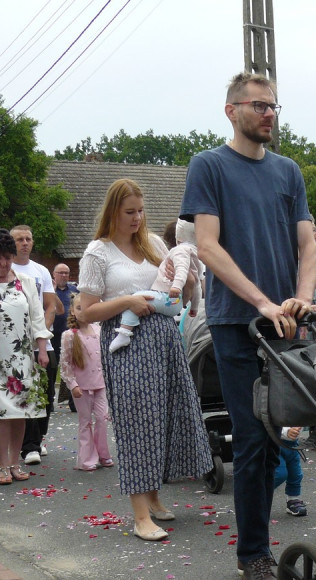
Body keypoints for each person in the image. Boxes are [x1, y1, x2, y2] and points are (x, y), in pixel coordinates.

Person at [180, 71, 316, 580]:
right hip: (237, 327)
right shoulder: (209, 166)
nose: (269, 114)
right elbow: (209, 247)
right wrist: (260, 301)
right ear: (231, 109)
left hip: (286, 326)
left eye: (274, 107)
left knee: (289, 433)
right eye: (259, 105)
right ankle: (254, 557)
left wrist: (301, 296)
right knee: (254, 439)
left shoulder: (289, 172)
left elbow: (308, 247)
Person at [77, 178, 212, 541]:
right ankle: (140, 516)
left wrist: (186, 287)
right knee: (137, 423)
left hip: (165, 338)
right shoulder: (97, 252)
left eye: (140, 211)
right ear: (113, 212)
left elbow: (175, 281)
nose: (137, 218)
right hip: (127, 341)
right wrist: (126, 302)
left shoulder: (154, 243)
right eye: (129, 212)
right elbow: (86, 312)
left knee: (164, 417)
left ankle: (153, 498)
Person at [0, 229, 52, 486]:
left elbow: (37, 318)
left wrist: (42, 350)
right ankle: (2, 465)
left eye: (7, 258)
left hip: (21, 356)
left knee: (20, 410)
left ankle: (15, 463)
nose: (3, 263)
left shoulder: (26, 282)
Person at [109, 219, 202, 352]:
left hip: (168, 302)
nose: (136, 217)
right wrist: (194, 307)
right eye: (130, 213)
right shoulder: (193, 253)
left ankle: (124, 332)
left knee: (137, 297)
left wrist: (176, 286)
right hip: (172, 304)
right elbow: (197, 285)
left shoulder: (180, 250)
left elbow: (184, 274)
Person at [10, 224, 60, 465]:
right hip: (16, 344)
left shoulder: (40, 271)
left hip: (42, 341)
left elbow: (50, 303)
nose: (25, 243)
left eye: (28, 238)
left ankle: (38, 436)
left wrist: (45, 328)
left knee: (47, 392)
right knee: (27, 393)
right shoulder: (5, 269)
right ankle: (29, 446)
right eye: (19, 239)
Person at [60, 294, 113, 471]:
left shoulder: (99, 330)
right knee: (85, 421)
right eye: (78, 307)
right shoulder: (70, 335)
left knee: (102, 418)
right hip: (81, 386)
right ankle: (87, 459)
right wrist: (72, 384)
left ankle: (103, 454)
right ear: (73, 311)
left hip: (101, 384)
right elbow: (66, 363)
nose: (82, 311)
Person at [51, 263, 79, 412]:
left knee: (73, 367)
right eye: (60, 273)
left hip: (71, 334)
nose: (63, 276)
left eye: (66, 273)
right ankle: (49, 402)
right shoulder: (49, 290)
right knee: (52, 367)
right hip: (53, 334)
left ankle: (75, 402)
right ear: (54, 274)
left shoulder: (75, 290)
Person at [275, 426, 307, 517]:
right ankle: (259, 495)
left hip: (293, 445)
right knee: (279, 474)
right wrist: (286, 431)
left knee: (295, 474)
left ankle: (293, 499)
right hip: (274, 443)